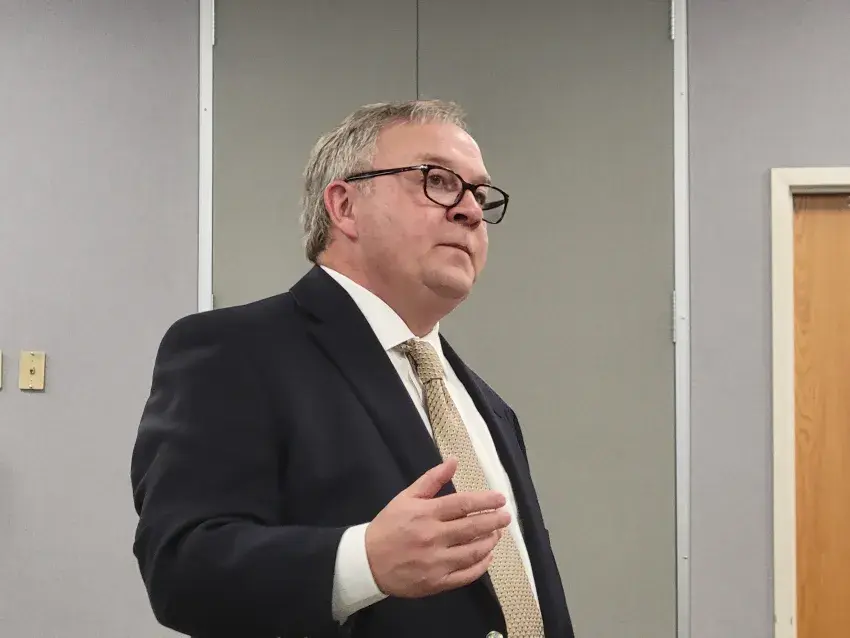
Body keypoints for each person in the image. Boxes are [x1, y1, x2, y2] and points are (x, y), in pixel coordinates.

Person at [130, 99, 575, 638]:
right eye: (437, 181)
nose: (471, 212)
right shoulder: (233, 351)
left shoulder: (491, 407)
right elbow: (181, 568)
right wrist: (363, 563)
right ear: (344, 207)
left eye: (479, 194)